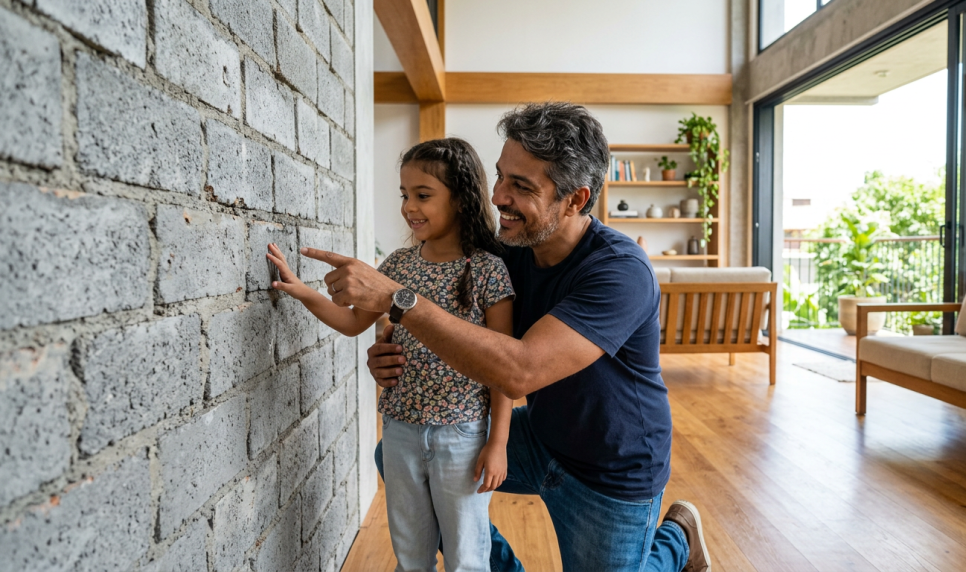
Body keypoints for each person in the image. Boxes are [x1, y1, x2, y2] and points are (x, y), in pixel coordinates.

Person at [303, 103, 711, 572]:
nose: (497, 196)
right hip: (541, 435)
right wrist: (390, 347)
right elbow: (447, 322)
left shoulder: (621, 272)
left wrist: (400, 300)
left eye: (521, 186)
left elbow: (520, 371)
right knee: (398, 455)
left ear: (575, 199)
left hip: (611, 468)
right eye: (500, 176)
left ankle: (677, 538)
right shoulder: (506, 253)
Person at [268, 138, 516, 572]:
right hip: (400, 431)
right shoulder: (398, 265)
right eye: (404, 195)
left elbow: (503, 368)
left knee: (467, 557)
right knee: (411, 554)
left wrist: (498, 444)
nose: (409, 207)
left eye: (423, 195)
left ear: (460, 199)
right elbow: (352, 322)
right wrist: (301, 290)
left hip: (462, 436)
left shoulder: (488, 269)